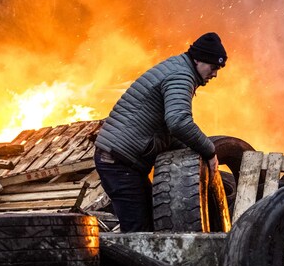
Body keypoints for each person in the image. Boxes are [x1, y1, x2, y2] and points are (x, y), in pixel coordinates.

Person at [94, 32, 226, 232]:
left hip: (121, 160)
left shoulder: (178, 68)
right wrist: (209, 151)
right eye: (214, 67)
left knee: (147, 224)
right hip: (118, 162)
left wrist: (194, 148)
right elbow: (178, 122)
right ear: (198, 59)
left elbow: (169, 129)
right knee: (138, 233)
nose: (215, 74)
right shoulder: (181, 76)